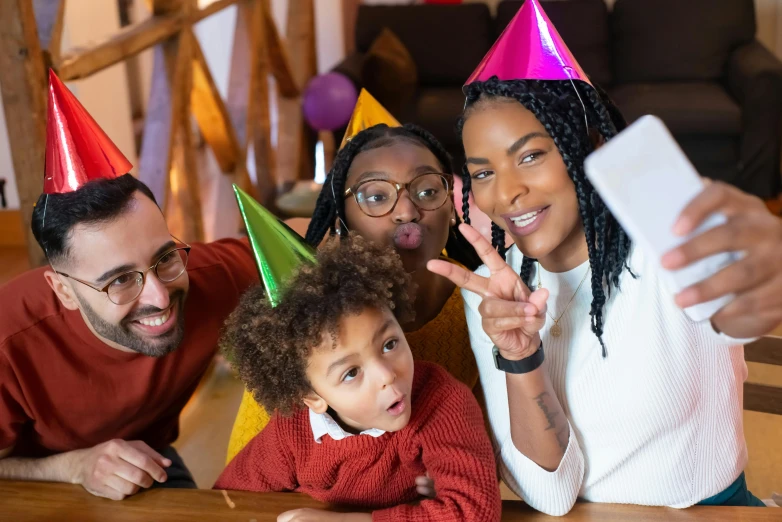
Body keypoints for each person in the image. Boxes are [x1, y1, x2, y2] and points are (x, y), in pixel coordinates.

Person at [428, 0, 782, 515]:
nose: (506, 194)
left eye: (531, 155)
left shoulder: (664, 240)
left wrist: (769, 263)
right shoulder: (492, 289)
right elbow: (550, 495)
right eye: (483, 172)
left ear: (584, 147)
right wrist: (521, 356)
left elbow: (743, 312)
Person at [0, 71, 257, 500]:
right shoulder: (9, 341)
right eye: (120, 280)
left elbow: (308, 235)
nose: (160, 297)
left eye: (164, 258)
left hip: (150, 459)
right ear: (63, 289)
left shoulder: (211, 276)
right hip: (38, 485)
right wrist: (74, 466)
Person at [225, 91, 481, 463]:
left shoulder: (481, 299)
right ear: (341, 217)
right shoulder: (309, 314)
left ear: (452, 206)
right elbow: (245, 468)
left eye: (427, 190)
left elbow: (486, 450)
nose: (407, 212)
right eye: (375, 197)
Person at [215, 231, 501, 522]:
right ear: (313, 397)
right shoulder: (291, 432)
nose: (387, 376)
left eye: (389, 344)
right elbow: (228, 499)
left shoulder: (441, 402)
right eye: (351, 373)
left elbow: (474, 512)